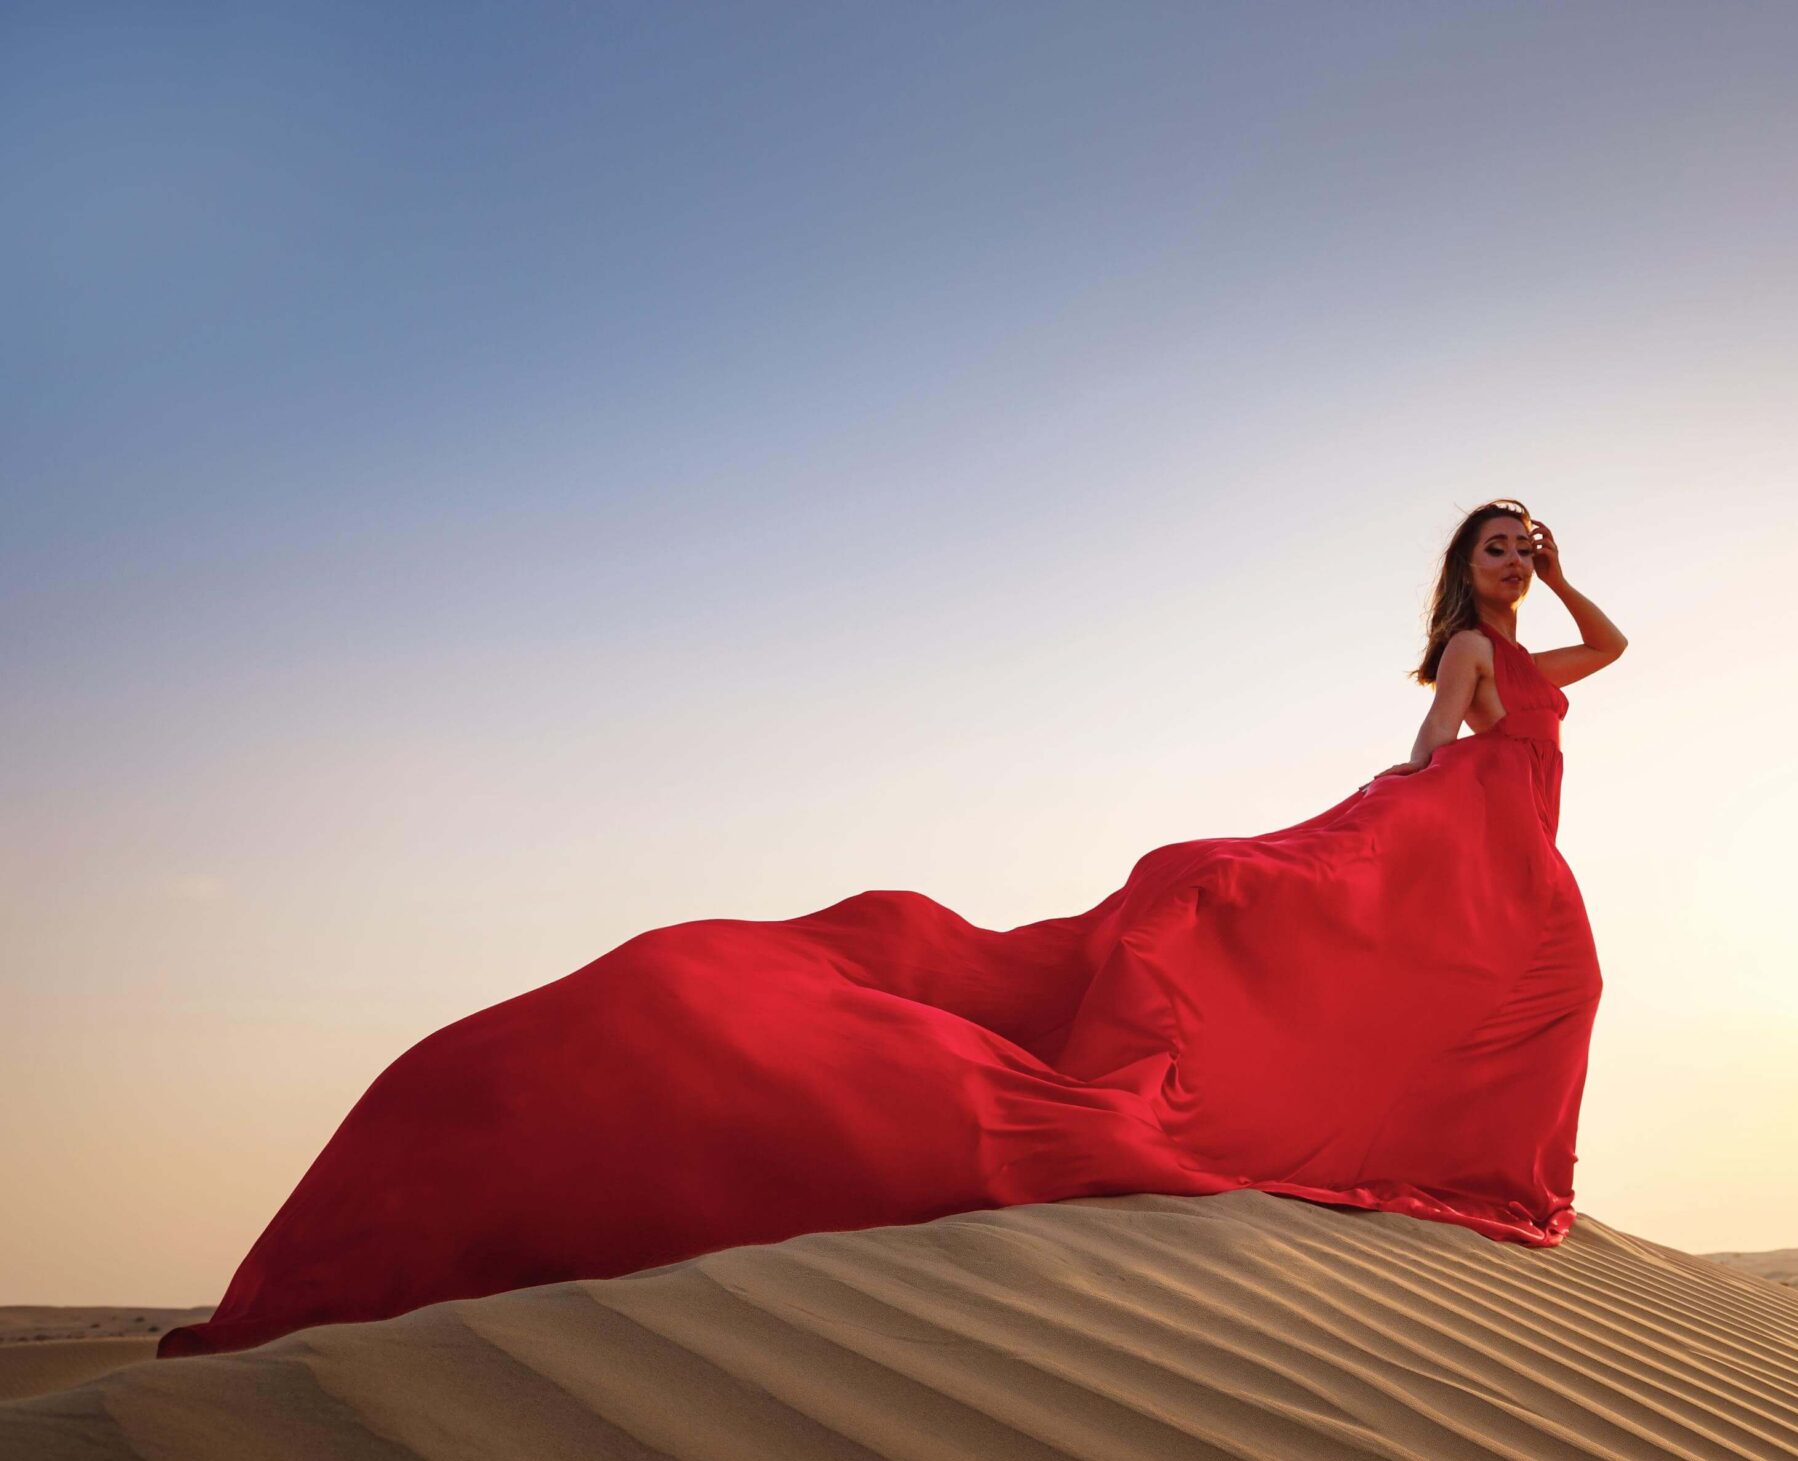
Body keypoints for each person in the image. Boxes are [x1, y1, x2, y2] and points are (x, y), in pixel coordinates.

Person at [158, 499, 1627, 1358]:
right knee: (1513, 983)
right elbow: (1441, 748)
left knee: (1543, 992)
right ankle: (1431, 1143)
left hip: (1506, 849)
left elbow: (1611, 652)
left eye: (1525, 543)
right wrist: (1383, 834)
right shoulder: (1466, 649)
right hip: (1461, 837)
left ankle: (1454, 1141)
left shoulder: (1532, 626)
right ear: (1461, 572)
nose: (1512, 558)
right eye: (1496, 545)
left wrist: (1560, 574)